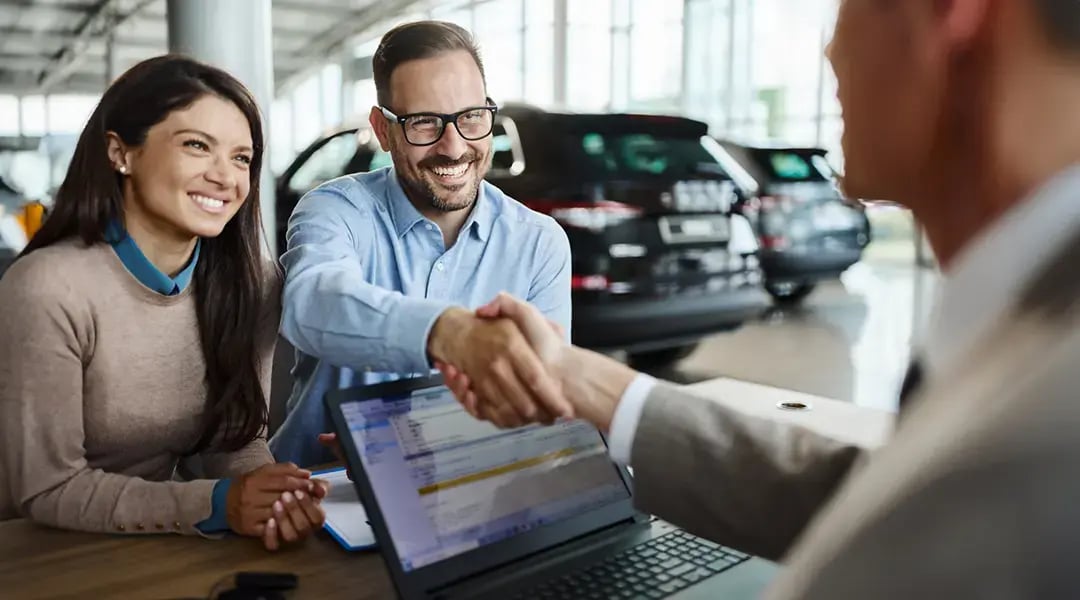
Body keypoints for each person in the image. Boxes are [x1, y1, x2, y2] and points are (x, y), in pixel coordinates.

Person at [439, 0, 1080, 596]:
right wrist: (593, 385)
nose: (831, 50)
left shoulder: (1038, 447)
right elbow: (874, 500)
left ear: (950, 11)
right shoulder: (1032, 332)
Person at [0, 55, 328, 551]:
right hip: (34, 549)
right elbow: (48, 488)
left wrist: (272, 495)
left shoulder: (250, 279)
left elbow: (232, 442)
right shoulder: (48, 287)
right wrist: (216, 504)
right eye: (197, 146)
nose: (225, 176)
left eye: (242, 158)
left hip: (155, 539)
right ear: (120, 153)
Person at [270, 20, 572, 467]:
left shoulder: (539, 242)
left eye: (471, 117)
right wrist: (450, 333)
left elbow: (536, 400)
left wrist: (402, 444)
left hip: (466, 485)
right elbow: (313, 305)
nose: (454, 147)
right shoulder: (335, 210)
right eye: (424, 123)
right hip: (316, 490)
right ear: (383, 129)